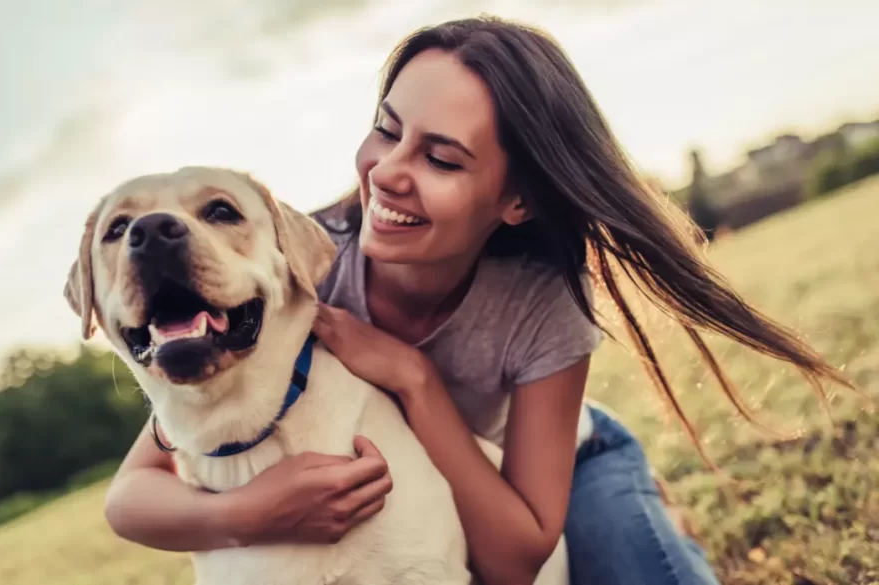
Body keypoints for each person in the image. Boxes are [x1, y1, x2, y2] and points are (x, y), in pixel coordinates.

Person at [103, 16, 851, 585]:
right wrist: (249, 513)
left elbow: (514, 555)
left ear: (516, 197)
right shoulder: (298, 265)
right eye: (386, 131)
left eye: (441, 157)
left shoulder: (543, 301)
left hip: (560, 468)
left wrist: (414, 378)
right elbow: (133, 492)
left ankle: (645, 503)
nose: (388, 173)